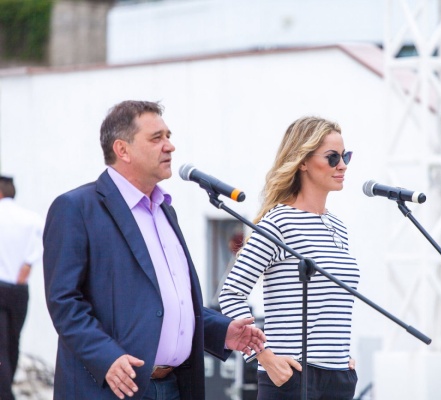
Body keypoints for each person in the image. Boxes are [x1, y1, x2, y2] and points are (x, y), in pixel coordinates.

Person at [43, 100, 266, 400]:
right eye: (156, 138)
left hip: (173, 386)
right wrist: (105, 356)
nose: (170, 146)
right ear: (123, 150)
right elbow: (64, 301)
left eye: (168, 136)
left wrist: (220, 331)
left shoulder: (164, 210)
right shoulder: (77, 208)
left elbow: (169, 302)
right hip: (111, 388)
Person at [219, 116, 360, 399]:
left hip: (338, 378)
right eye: (333, 157)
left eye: (345, 156)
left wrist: (340, 358)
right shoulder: (278, 222)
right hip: (291, 375)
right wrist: (263, 356)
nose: (343, 165)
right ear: (303, 162)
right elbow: (231, 293)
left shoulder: (338, 227)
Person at [0, 175, 43, 400]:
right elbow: (46, 242)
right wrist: (27, 266)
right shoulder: (30, 218)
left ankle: (4, 393)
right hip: (19, 289)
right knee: (13, 342)